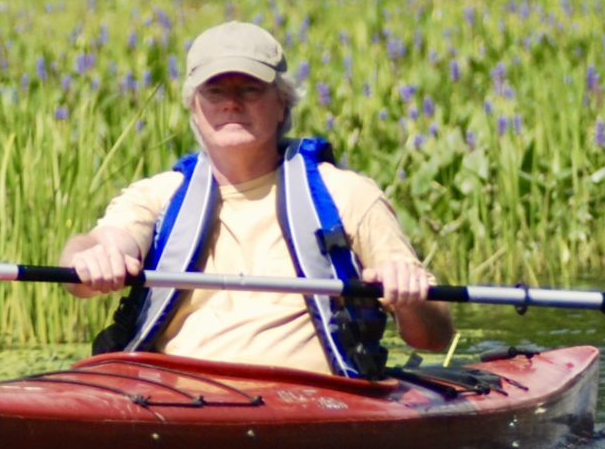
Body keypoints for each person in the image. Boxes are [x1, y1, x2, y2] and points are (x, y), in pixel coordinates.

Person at [60, 21, 452, 375]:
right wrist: (91, 258)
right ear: (194, 108)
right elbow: (93, 252)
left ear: (282, 102)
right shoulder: (158, 195)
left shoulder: (347, 194)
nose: (232, 102)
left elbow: (434, 337)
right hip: (175, 398)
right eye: (215, 91)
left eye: (249, 89)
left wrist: (409, 298)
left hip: (315, 401)